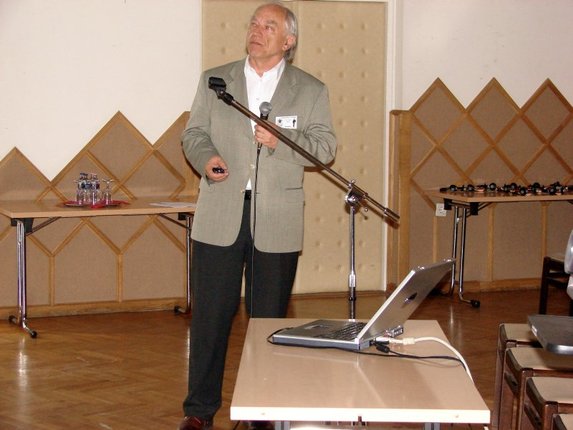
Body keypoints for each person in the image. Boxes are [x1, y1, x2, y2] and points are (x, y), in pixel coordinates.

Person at [179, 2, 337, 429]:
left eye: (269, 26)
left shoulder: (310, 89)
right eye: (254, 23)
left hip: (278, 215)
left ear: (288, 41)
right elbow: (193, 133)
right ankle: (198, 412)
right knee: (211, 315)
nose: (257, 30)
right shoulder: (217, 80)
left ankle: (261, 409)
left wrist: (281, 140)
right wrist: (206, 156)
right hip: (220, 210)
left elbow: (324, 149)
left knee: (267, 318)